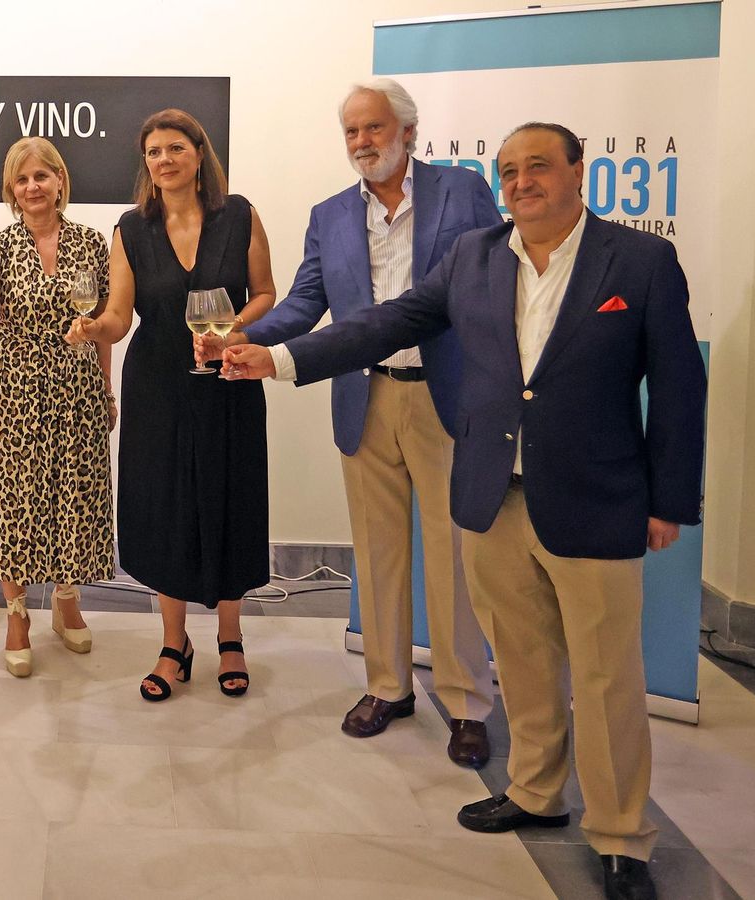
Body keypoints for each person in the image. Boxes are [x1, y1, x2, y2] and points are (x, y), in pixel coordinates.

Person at [223, 122, 706, 900]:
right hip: (489, 494)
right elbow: (387, 323)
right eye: (509, 170)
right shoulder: (475, 256)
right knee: (520, 658)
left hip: (594, 497)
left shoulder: (639, 261)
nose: (521, 182)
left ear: (579, 172)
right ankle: (536, 792)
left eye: (539, 167)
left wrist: (669, 499)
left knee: (607, 675)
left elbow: (681, 389)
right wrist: (278, 360)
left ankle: (620, 835)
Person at [203, 79, 501, 767]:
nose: (362, 142)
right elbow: (305, 305)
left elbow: (492, 286)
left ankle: (464, 702)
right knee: (378, 553)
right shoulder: (331, 214)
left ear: (407, 130)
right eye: (351, 133)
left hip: (445, 398)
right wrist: (231, 335)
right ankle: (388, 686)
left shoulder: (462, 192)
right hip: (364, 399)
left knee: (454, 558)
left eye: (373, 128)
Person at [67, 109, 276, 701]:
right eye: (153, 151)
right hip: (157, 384)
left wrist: (233, 331)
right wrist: (92, 329)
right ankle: (173, 643)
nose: (164, 159)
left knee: (229, 496)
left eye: (175, 148)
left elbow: (265, 292)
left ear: (198, 153)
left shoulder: (239, 216)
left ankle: (231, 639)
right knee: (165, 508)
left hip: (228, 378)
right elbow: (118, 315)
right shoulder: (132, 228)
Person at [0, 137, 115, 678]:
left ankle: (66, 601)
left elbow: (105, 329)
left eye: (41, 176)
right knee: (15, 498)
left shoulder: (94, 244)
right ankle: (17, 613)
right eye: (21, 180)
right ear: (11, 192)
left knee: (73, 491)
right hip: (12, 386)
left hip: (76, 385)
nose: (32, 187)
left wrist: (107, 388)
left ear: (61, 182)